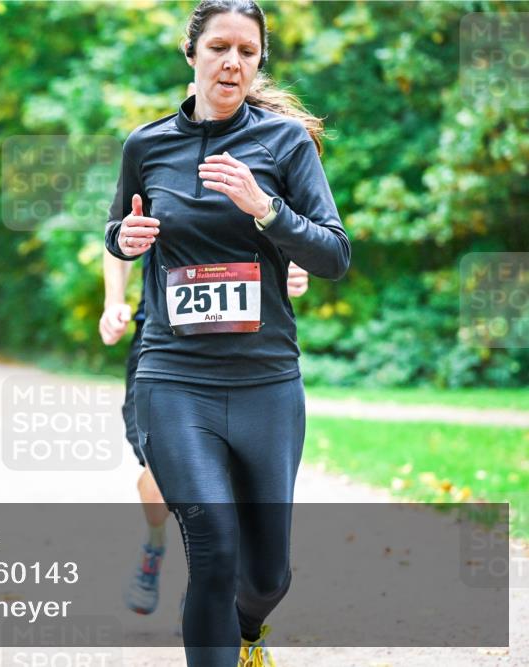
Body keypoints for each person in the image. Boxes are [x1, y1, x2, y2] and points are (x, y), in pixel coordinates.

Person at [103, 1, 350, 665]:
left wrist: (266, 209)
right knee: (213, 544)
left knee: (267, 575)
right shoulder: (146, 145)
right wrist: (126, 240)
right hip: (174, 376)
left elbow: (334, 253)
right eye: (219, 48)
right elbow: (116, 230)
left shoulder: (285, 144)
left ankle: (249, 632)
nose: (233, 62)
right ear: (191, 54)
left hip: (265, 379)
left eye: (247, 51)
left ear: (259, 60)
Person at [101, 253, 309, 622]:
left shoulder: (265, 207)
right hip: (165, 348)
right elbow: (119, 235)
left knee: (229, 478)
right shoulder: (155, 206)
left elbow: (305, 235)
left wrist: (293, 264)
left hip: (250, 352)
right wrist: (113, 301)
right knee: (161, 481)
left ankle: (206, 585)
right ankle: (155, 543)